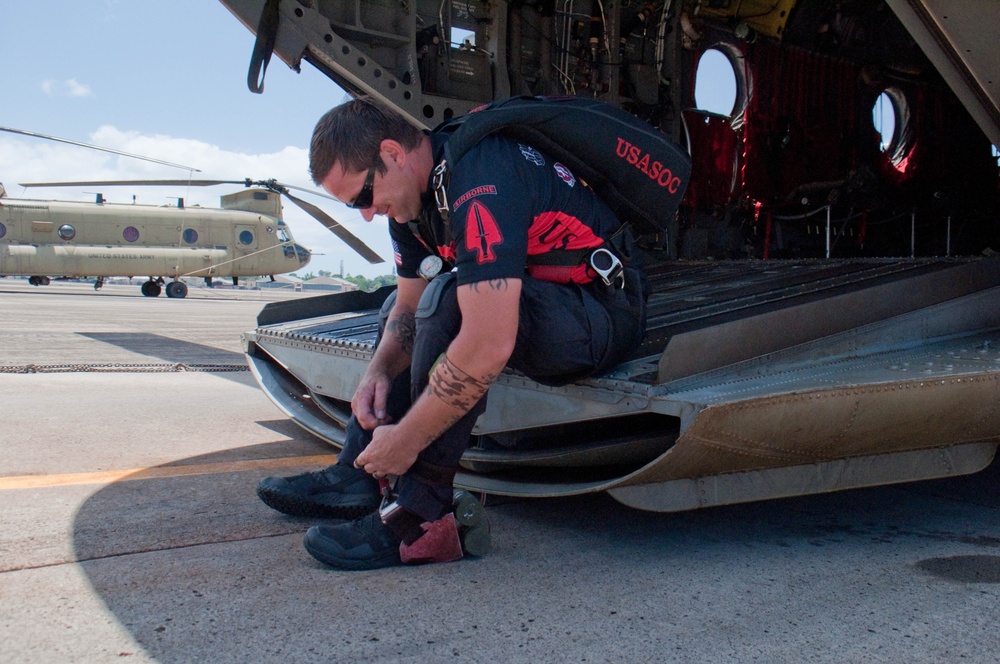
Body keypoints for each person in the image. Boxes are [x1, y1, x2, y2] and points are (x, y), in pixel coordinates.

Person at [257, 97, 648, 570]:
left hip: (598, 315)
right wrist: (376, 375)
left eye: (362, 197)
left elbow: (487, 343)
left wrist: (409, 439)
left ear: (393, 153)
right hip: (542, 305)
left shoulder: (481, 176)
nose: (366, 213)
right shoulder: (411, 202)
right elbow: (405, 306)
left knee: (447, 301)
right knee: (401, 306)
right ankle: (359, 475)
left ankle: (422, 518)